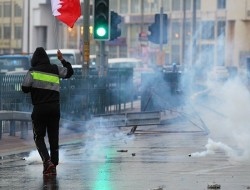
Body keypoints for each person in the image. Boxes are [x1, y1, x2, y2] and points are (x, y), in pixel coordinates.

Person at [22, 47, 74, 176]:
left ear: (34, 59)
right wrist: (62, 59)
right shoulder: (55, 69)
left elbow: (25, 88)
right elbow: (69, 72)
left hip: (39, 108)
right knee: (53, 138)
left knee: (39, 137)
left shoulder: (32, 71)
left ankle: (47, 162)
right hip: (54, 108)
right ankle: (53, 166)